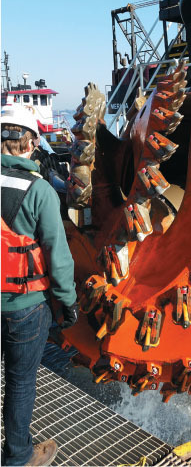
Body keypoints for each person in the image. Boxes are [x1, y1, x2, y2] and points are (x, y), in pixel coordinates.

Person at [1, 105, 79, 466]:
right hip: (24, 307)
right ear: (30, 143)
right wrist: (67, 301)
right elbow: (57, 254)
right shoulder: (41, 190)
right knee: (19, 383)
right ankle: (17, 457)